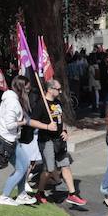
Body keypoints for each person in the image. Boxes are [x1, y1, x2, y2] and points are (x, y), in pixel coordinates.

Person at [37, 79, 86, 208]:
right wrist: (47, 127)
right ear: (49, 89)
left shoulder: (57, 102)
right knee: (49, 170)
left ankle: (72, 194)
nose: (60, 91)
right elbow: (31, 121)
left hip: (59, 141)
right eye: (58, 89)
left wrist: (64, 130)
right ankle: (40, 192)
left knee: (66, 166)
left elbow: (60, 119)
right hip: (47, 140)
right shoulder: (41, 104)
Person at [0, 77, 37, 206]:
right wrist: (23, 122)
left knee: (24, 165)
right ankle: (5, 196)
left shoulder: (8, 99)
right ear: (22, 88)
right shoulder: (13, 102)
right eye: (27, 89)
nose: (29, 91)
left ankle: (21, 194)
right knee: (22, 167)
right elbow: (10, 125)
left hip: (8, 138)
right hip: (8, 139)